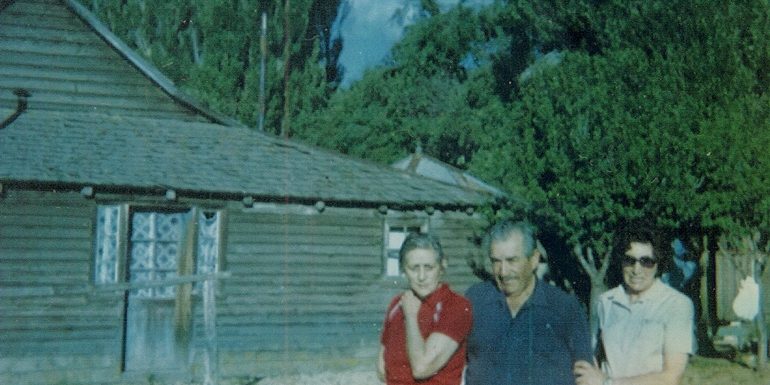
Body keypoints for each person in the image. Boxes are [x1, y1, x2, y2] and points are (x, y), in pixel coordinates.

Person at [464, 220, 593, 385]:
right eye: (496, 261)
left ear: (533, 260)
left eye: (512, 260)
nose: (503, 272)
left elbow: (584, 375)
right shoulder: (475, 299)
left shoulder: (564, 308)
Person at [573, 225, 696, 385]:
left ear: (659, 263)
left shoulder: (676, 305)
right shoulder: (606, 302)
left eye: (646, 262)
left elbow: (671, 377)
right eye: (629, 260)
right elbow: (594, 358)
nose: (636, 270)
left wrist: (608, 383)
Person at [377, 233, 472, 385]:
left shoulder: (455, 305)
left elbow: (422, 368)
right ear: (403, 269)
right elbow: (382, 368)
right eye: (414, 268)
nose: (421, 277)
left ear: (442, 266)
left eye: (428, 267)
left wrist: (411, 316)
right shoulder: (397, 304)